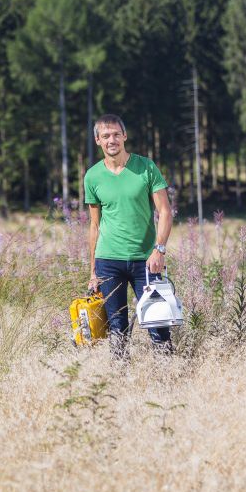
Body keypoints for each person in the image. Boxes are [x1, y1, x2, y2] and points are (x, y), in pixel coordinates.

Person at [84, 114, 173, 355]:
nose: (111, 140)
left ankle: (169, 375)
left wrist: (159, 250)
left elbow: (165, 211)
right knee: (116, 326)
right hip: (108, 262)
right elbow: (95, 226)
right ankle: (120, 379)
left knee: (159, 322)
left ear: (124, 136)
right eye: (105, 136)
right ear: (98, 141)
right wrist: (93, 272)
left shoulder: (146, 167)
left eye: (115, 134)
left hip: (146, 261)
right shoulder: (92, 176)